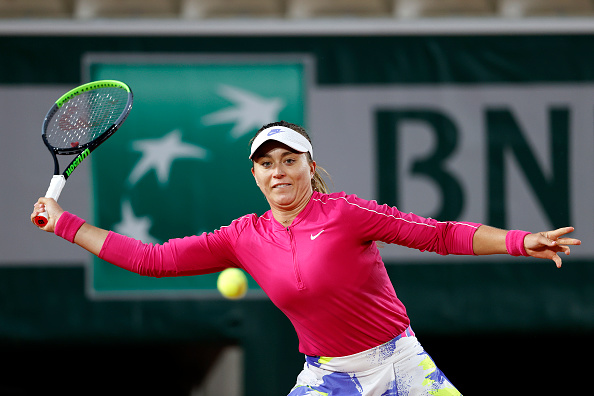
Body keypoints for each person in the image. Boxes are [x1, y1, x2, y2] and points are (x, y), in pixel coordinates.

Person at [32, 120, 581, 395]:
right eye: (266, 163)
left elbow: (440, 234)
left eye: (289, 160)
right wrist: (65, 223)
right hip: (329, 379)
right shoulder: (241, 236)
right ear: (255, 175)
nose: (278, 172)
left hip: (402, 363)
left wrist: (519, 241)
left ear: (309, 168)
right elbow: (152, 260)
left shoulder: (347, 213)